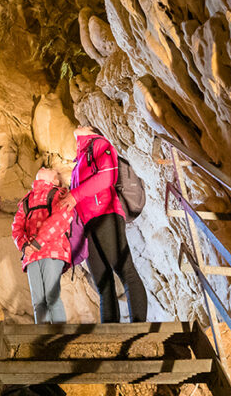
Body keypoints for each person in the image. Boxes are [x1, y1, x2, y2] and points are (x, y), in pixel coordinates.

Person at [57, 125, 148, 323]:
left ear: (91, 130)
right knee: (103, 283)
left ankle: (140, 327)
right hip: (88, 225)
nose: (78, 125)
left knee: (125, 270)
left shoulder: (100, 144)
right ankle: (111, 332)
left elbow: (107, 177)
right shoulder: (79, 162)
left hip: (105, 214)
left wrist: (75, 194)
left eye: (83, 125)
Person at [11, 167, 75, 323]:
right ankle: (43, 341)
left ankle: (60, 337)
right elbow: (17, 227)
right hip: (32, 254)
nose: (45, 166)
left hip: (52, 250)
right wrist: (24, 246)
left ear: (55, 181)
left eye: (50, 169)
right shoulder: (26, 201)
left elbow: (61, 219)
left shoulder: (59, 195)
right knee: (38, 302)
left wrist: (37, 242)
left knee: (51, 298)